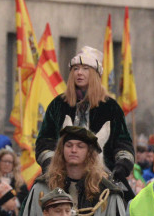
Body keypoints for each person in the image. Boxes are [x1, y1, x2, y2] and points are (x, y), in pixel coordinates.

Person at [35, 47, 134, 188]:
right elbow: (45, 140)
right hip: (61, 175)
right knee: (34, 198)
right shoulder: (58, 105)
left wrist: (122, 165)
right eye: (75, 69)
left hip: (103, 175)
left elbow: (123, 142)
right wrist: (51, 164)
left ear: (95, 73)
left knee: (125, 203)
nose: (79, 73)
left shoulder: (111, 107)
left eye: (85, 68)